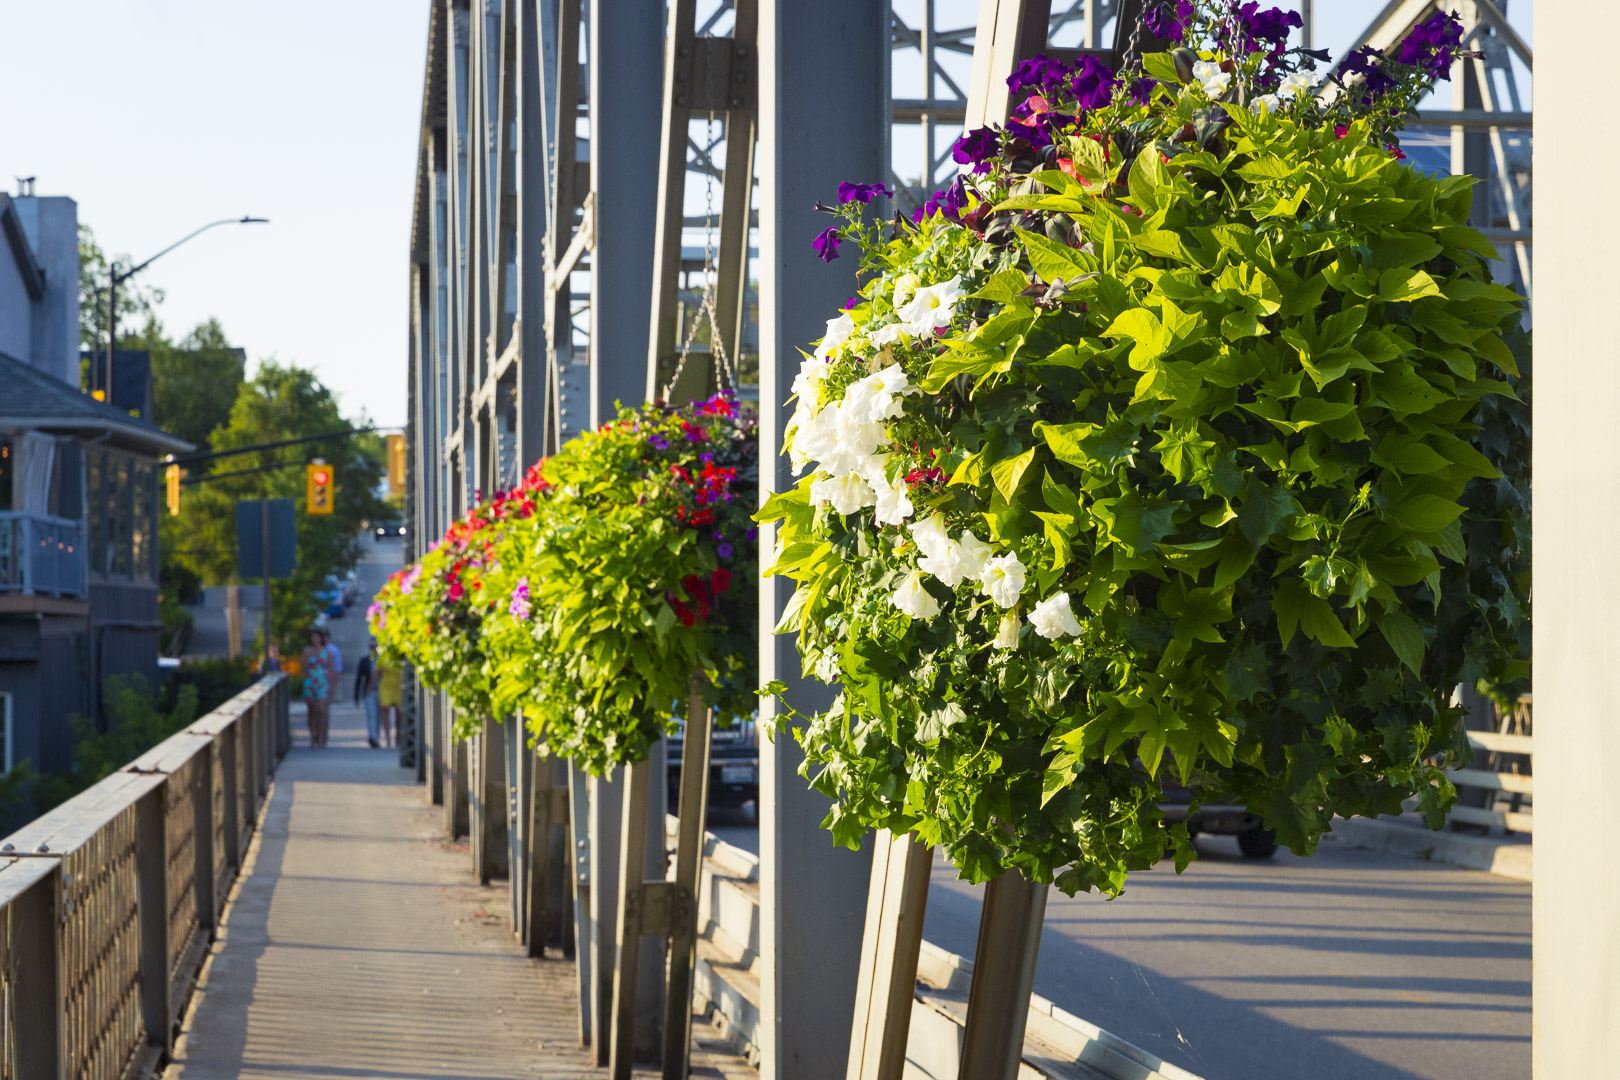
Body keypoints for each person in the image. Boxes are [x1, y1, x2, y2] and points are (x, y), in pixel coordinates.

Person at [301, 628, 332, 748]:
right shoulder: (307, 651)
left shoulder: (326, 652)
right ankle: (312, 734)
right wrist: (307, 663)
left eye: (317, 637)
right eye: (313, 637)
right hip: (310, 682)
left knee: (321, 710)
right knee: (311, 710)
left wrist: (332, 687)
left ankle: (320, 736)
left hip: (323, 682)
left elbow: (331, 668)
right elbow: (302, 667)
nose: (315, 639)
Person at [355, 638, 381, 748]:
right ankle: (372, 737)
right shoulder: (364, 661)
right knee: (371, 715)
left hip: (381, 691)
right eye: (371, 646)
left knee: (379, 716)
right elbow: (359, 679)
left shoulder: (383, 660)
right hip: (369, 692)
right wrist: (356, 696)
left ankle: (376, 737)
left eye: (375, 646)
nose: (373, 649)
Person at [377, 658, 402, 749]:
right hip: (385, 687)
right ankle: (388, 740)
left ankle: (398, 736)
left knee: (399, 715)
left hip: (398, 687)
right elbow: (377, 673)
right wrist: (369, 687)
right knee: (386, 711)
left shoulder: (402, 656)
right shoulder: (383, 657)